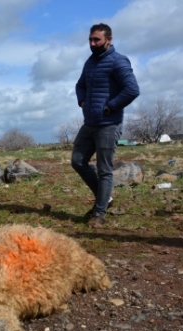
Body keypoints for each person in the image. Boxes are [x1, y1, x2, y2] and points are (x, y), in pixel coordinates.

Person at [72, 23, 139, 228]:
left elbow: (132, 89)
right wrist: (82, 101)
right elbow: (80, 85)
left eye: (97, 40)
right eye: (90, 40)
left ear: (108, 40)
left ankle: (99, 213)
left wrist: (110, 107)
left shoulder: (118, 62)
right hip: (90, 123)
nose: (92, 43)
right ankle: (106, 199)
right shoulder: (90, 63)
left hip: (109, 125)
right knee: (77, 160)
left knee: (104, 169)